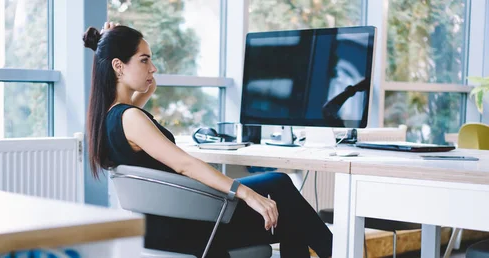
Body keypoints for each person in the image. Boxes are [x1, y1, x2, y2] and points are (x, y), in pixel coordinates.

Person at [83, 22, 333, 258]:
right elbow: (185, 165)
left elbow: (149, 87)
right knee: (280, 188)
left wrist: (110, 41)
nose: (153, 68)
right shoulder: (131, 118)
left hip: (162, 228)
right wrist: (247, 194)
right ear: (118, 66)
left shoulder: (109, 118)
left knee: (286, 207)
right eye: (145, 60)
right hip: (188, 229)